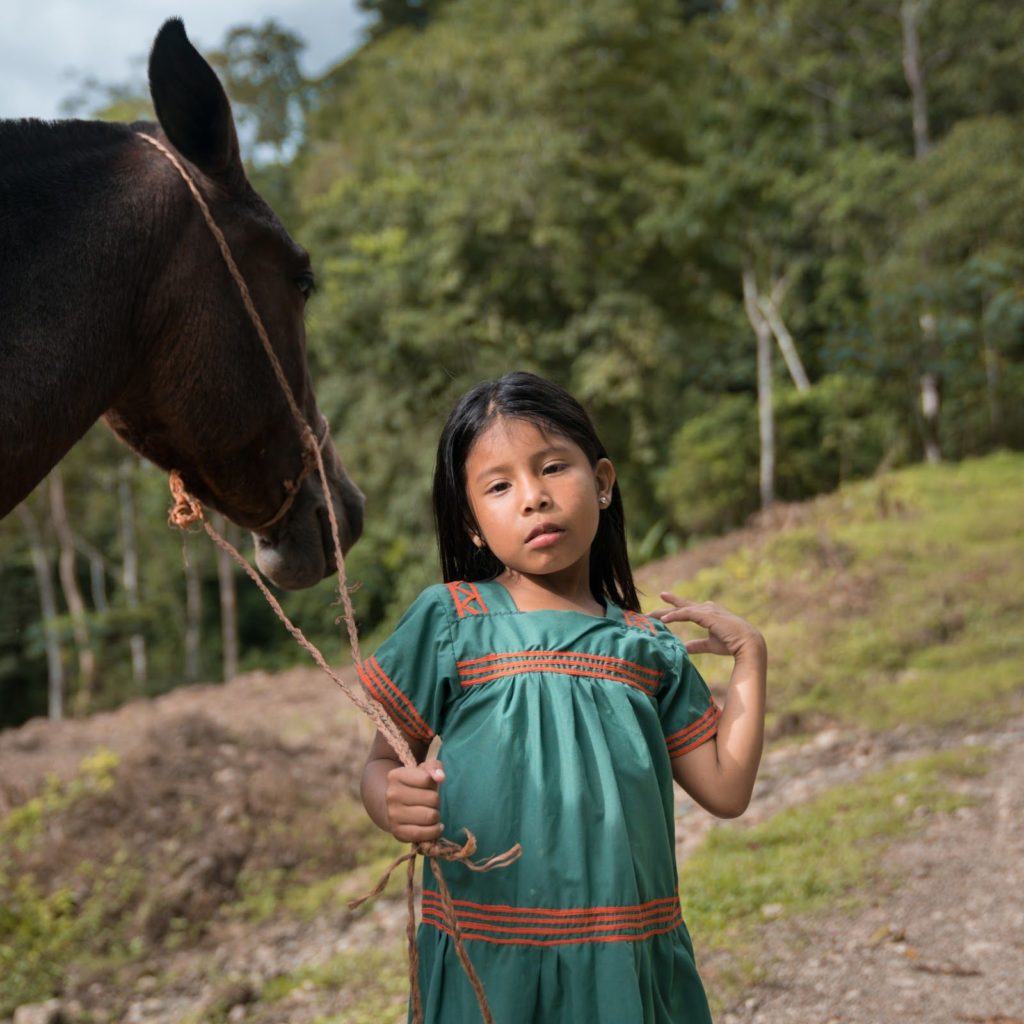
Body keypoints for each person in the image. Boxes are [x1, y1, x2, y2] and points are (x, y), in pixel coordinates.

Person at [360, 371, 767, 1023]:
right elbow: (382, 764)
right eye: (500, 485)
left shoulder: (646, 648)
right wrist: (392, 803)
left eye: (553, 469)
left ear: (602, 483)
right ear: (470, 522)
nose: (533, 498)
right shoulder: (451, 623)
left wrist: (750, 657)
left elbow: (725, 789)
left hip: (622, 961)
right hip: (489, 962)